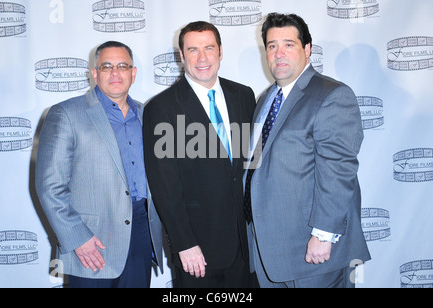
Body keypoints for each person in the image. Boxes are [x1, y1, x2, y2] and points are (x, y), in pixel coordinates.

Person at [244, 13, 371, 288]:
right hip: (270, 250)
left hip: (312, 251)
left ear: (307, 49)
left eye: (288, 44)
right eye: (271, 45)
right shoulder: (265, 99)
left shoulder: (331, 95)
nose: (279, 53)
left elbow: (338, 170)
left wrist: (324, 235)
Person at [35, 41, 163, 288]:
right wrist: (77, 237)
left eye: (123, 66)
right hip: (92, 241)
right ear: (94, 74)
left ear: (133, 73)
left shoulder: (148, 115)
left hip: (141, 235)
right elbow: (50, 186)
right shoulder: (66, 114)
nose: (116, 73)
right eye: (107, 66)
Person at [143, 21, 256, 288]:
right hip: (198, 251)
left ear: (220, 51)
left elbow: (252, 166)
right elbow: (164, 186)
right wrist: (183, 243)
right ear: (181, 56)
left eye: (209, 48)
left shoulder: (244, 95)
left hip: (245, 245)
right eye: (193, 50)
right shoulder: (162, 108)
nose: (202, 58)